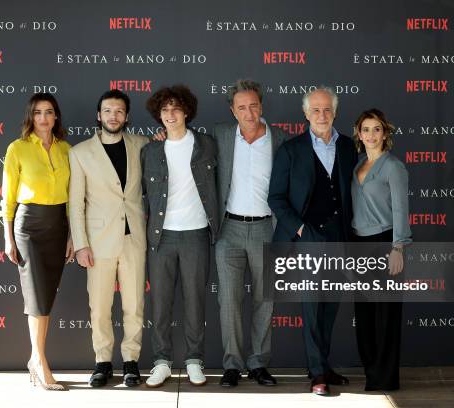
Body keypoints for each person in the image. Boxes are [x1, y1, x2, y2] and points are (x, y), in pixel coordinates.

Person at [268, 87, 357, 396]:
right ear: (306, 114)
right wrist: (302, 230)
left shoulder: (348, 147)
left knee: (330, 307)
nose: (322, 115)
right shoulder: (291, 150)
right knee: (311, 307)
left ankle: (324, 365)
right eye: (315, 110)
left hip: (340, 238)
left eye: (327, 110)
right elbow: (276, 198)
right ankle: (316, 372)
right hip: (307, 237)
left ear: (335, 112)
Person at [68, 90, 148, 387]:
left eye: (119, 111)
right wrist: (80, 244)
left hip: (134, 239)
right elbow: (75, 204)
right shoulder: (79, 153)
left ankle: (131, 361)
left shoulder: (142, 145)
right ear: (98, 115)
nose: (113, 116)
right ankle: (102, 361)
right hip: (97, 242)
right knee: (99, 306)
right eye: (107, 110)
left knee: (134, 304)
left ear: (127, 116)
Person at [141, 85, 218, 388]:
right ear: (158, 116)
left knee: (195, 301)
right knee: (160, 303)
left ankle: (194, 360)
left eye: (175, 109)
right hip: (161, 237)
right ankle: (161, 361)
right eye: (164, 110)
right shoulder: (150, 150)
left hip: (197, 234)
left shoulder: (208, 145)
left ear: (187, 111)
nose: (170, 115)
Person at [213, 80, 286, 387]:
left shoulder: (280, 139)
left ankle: (258, 363)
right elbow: (184, 146)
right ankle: (232, 364)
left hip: (266, 228)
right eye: (241, 107)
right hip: (228, 228)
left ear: (262, 106)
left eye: (253, 105)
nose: (248, 112)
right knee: (228, 300)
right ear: (232, 110)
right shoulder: (220, 136)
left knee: (264, 299)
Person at [0, 93, 74, 391]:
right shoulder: (17, 148)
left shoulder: (67, 150)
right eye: (38, 112)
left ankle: (35, 359)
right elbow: (8, 197)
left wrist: (72, 235)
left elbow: (73, 196)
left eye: (49, 112)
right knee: (36, 297)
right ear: (30, 117)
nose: (43, 118)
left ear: (56, 117)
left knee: (45, 298)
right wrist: (7, 237)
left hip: (58, 226)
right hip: (28, 227)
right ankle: (41, 362)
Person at [351, 108, 412, 391]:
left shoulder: (393, 167)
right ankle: (371, 372)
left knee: (386, 315)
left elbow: (401, 209)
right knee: (364, 315)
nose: (371, 134)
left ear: (385, 133)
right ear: (359, 134)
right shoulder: (358, 165)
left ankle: (386, 378)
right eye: (366, 129)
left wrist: (398, 248)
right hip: (359, 245)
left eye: (377, 129)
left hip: (386, 243)